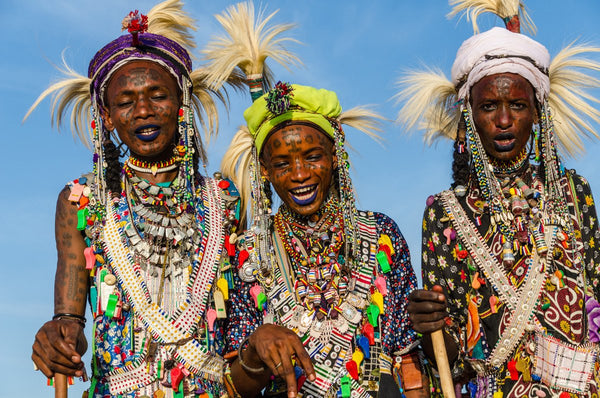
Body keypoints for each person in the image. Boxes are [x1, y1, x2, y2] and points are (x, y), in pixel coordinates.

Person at [26, 1, 245, 396]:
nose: (143, 110)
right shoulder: (82, 201)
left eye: (157, 96)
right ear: (106, 118)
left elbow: (244, 326)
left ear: (181, 106)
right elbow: (68, 318)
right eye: (125, 102)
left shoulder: (226, 201)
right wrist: (58, 335)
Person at [396, 0, 600, 397]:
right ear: (469, 115)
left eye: (517, 105)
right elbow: (451, 358)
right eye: (489, 106)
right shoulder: (444, 214)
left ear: (538, 112)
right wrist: (430, 326)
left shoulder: (574, 194)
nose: (504, 121)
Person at [214, 81, 427, 398]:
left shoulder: (381, 233)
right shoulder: (248, 254)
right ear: (265, 171)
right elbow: (237, 386)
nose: (299, 174)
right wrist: (256, 346)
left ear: (335, 154)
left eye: (313, 156)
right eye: (283, 163)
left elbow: (409, 361)